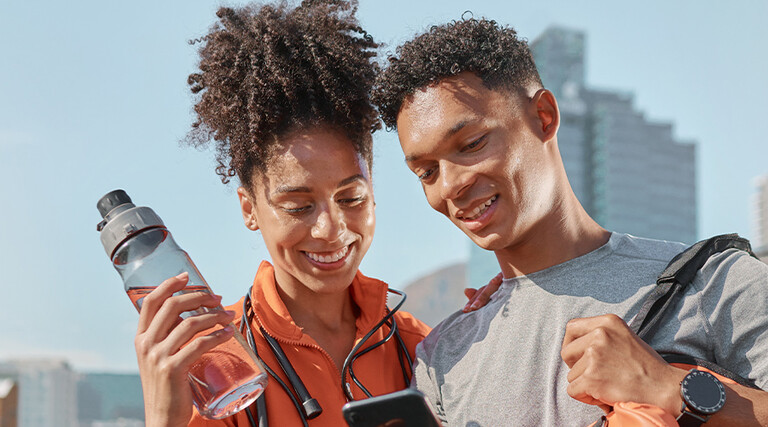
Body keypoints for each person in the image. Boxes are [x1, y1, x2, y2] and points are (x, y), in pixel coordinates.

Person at [372, 16, 768, 426]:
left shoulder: (714, 282)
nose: (451, 185)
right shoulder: (443, 356)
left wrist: (666, 386)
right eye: (426, 172)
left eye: (471, 144)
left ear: (543, 116)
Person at [131, 2, 501, 426]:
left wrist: (484, 348)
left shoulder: (421, 349)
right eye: (298, 207)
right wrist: (163, 420)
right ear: (249, 209)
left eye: (351, 198)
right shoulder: (215, 367)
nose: (330, 229)